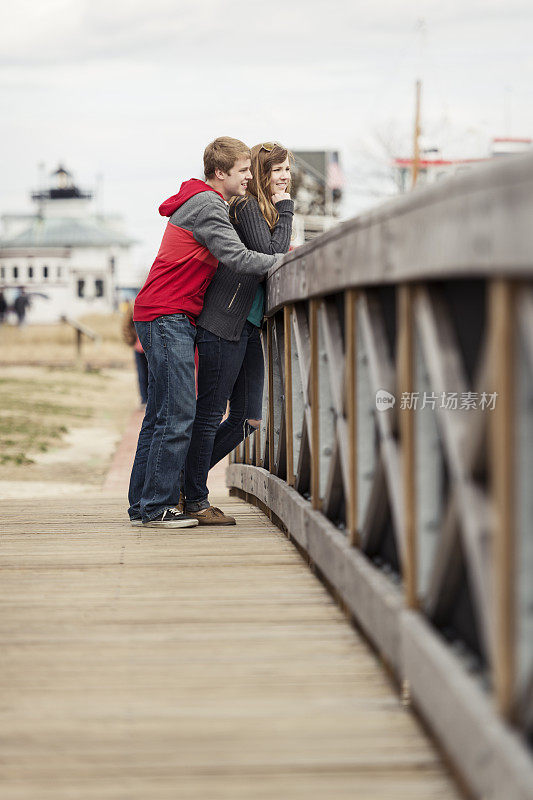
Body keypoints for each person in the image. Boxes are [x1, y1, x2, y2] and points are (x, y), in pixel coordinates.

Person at [128, 137, 281, 528]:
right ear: (219, 173)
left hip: (161, 313)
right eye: (243, 171)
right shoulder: (210, 206)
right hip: (168, 314)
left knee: (161, 413)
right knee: (178, 412)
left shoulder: (201, 202)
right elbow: (239, 257)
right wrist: (287, 259)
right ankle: (158, 507)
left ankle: (142, 504)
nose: (250, 177)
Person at [184, 142, 294, 525]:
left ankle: (185, 480)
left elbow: (272, 250)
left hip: (248, 327)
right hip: (222, 323)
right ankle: (195, 497)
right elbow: (271, 253)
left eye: (287, 171)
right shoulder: (246, 207)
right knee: (211, 412)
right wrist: (285, 206)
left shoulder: (261, 212)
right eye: (276, 170)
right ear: (262, 175)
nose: (284, 177)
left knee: (249, 419)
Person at [122, 301, 148, 407]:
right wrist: (130, 340)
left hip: (150, 346)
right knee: (142, 373)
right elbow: (125, 326)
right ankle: (144, 399)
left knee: (152, 373)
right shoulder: (133, 306)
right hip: (138, 345)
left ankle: (150, 398)